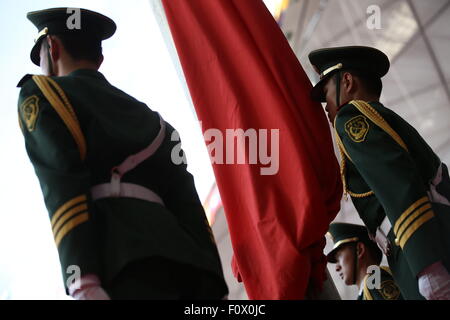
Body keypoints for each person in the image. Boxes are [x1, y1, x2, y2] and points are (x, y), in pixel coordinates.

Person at [17, 7, 228, 300]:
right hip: (190, 269)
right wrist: (214, 283)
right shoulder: (157, 122)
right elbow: (188, 205)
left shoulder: (44, 94)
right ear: (99, 58)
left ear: (52, 47)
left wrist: (82, 280)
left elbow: (61, 182)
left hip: (121, 265)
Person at [308, 45, 450, 300]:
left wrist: (427, 264)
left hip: (426, 247)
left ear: (347, 81)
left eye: (327, 91)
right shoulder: (376, 116)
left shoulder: (350, 118)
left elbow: (397, 182)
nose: (326, 106)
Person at [327, 222, 402, 300]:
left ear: (360, 250)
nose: (337, 267)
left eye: (339, 257)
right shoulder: (367, 291)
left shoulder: (374, 282)